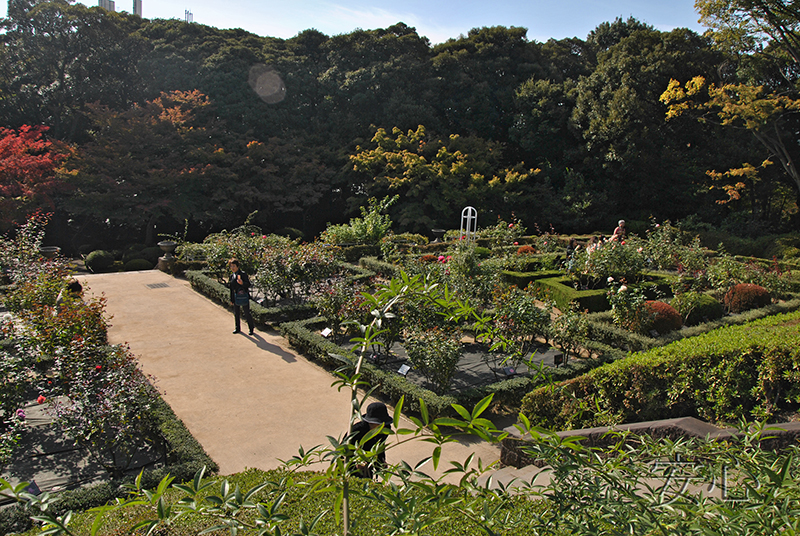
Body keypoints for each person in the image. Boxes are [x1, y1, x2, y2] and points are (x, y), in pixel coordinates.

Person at [347, 402, 393, 478]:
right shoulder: (356, 431)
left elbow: (380, 447)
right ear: (370, 422)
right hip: (351, 469)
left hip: (368, 465)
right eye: (378, 424)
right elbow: (343, 452)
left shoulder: (385, 429)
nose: (382, 427)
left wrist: (381, 463)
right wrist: (355, 464)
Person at [228, 259, 254, 335]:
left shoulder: (243, 274)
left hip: (243, 295)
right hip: (236, 296)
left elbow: (248, 284)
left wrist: (242, 283)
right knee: (236, 313)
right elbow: (231, 289)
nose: (232, 268)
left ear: (238, 266)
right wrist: (232, 299)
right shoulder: (232, 276)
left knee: (246, 312)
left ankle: (251, 328)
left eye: (234, 266)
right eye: (231, 266)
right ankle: (237, 328)